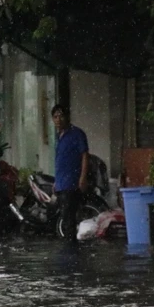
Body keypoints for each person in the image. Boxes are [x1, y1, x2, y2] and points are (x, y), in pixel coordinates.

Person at [51, 104, 89, 242]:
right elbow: (60, 161)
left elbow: (84, 155)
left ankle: (71, 252)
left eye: (61, 116)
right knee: (65, 218)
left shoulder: (77, 134)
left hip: (71, 183)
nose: (58, 119)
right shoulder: (59, 136)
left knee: (69, 219)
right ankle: (69, 249)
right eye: (55, 117)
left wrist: (82, 178)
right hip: (61, 184)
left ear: (67, 117)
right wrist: (56, 181)